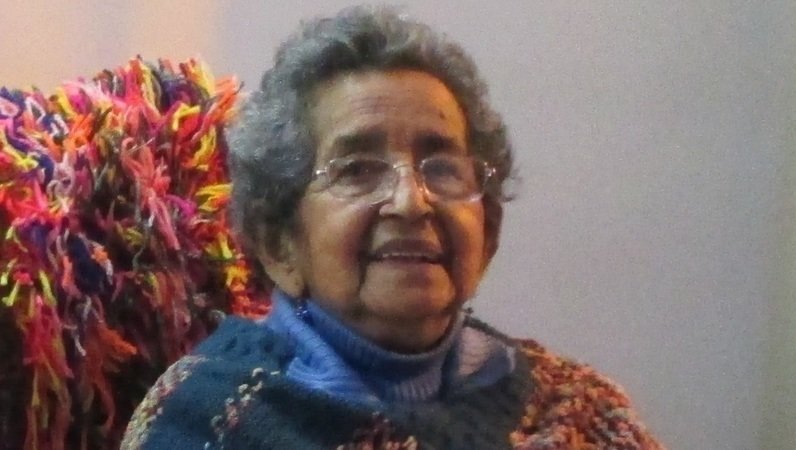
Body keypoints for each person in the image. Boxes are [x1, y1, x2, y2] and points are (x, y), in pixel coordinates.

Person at [121, 5, 663, 449]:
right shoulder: (206, 423)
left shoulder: (578, 414)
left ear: (488, 232)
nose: (411, 202)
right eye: (358, 170)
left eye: (443, 168)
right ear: (279, 242)